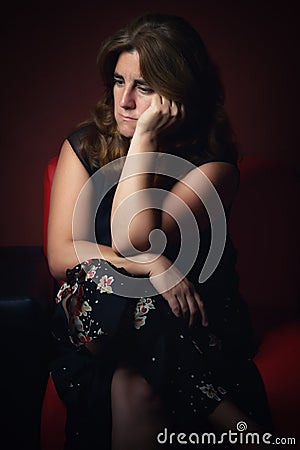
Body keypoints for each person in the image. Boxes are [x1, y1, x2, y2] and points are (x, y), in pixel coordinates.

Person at [47, 12, 272, 450]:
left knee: (133, 384)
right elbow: (60, 255)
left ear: (179, 94)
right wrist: (158, 265)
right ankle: (233, 421)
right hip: (104, 322)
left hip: (187, 321)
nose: (125, 101)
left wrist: (145, 141)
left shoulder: (215, 168)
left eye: (144, 88)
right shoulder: (84, 145)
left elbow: (135, 236)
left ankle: (225, 414)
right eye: (118, 81)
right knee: (102, 280)